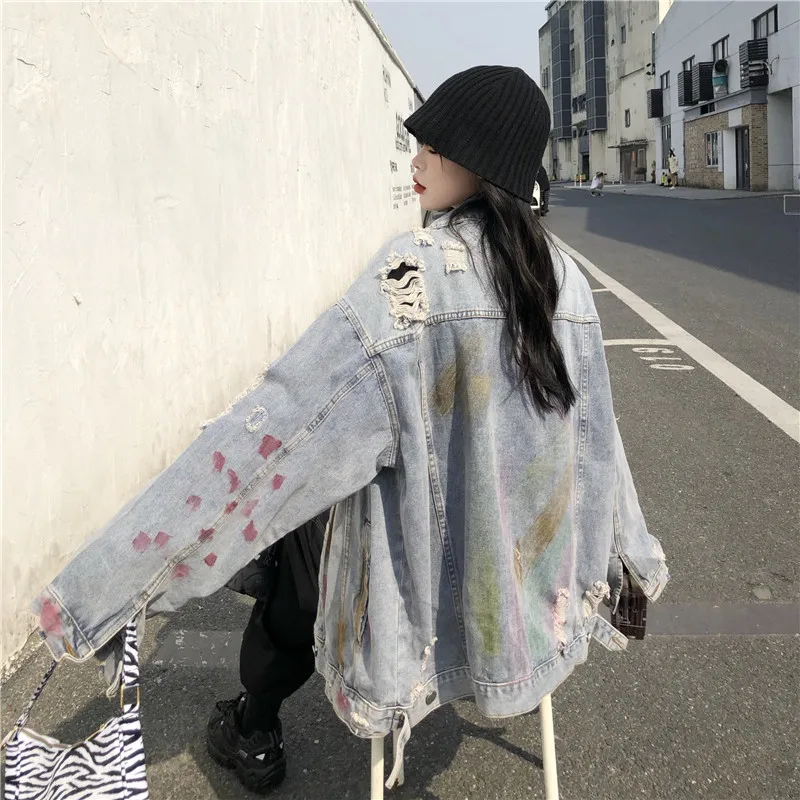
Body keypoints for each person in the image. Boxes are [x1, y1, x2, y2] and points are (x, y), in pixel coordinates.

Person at [33, 66, 669, 796]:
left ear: (481, 163)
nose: (415, 160)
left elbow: (281, 433)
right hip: (525, 601)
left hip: (413, 607)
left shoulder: (410, 279)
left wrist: (99, 594)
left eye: (435, 146)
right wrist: (627, 557)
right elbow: (599, 440)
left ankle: (254, 722)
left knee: (300, 535)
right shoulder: (566, 280)